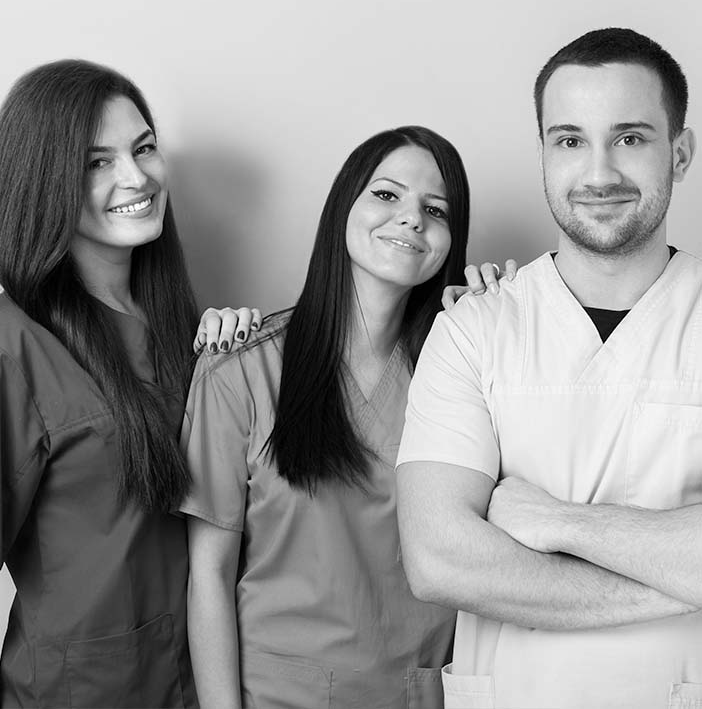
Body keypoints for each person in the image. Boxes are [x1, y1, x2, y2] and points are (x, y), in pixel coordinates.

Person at [396, 27, 702, 709]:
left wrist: (559, 522)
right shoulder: (473, 329)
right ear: (543, 153)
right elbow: (438, 557)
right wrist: (679, 572)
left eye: (630, 137)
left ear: (679, 154)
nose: (599, 173)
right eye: (570, 140)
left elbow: (483, 555)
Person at [180, 125, 471, 708]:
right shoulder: (240, 371)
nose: (412, 219)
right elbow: (207, 575)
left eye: (434, 209)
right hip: (277, 696)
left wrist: (501, 324)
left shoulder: (463, 372)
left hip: (423, 694)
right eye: (387, 195)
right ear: (343, 207)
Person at [0, 59, 256, 707]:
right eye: (97, 161)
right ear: (42, 179)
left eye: (144, 148)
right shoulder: (14, 341)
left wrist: (244, 355)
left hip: (201, 684)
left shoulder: (189, 334)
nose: (135, 176)